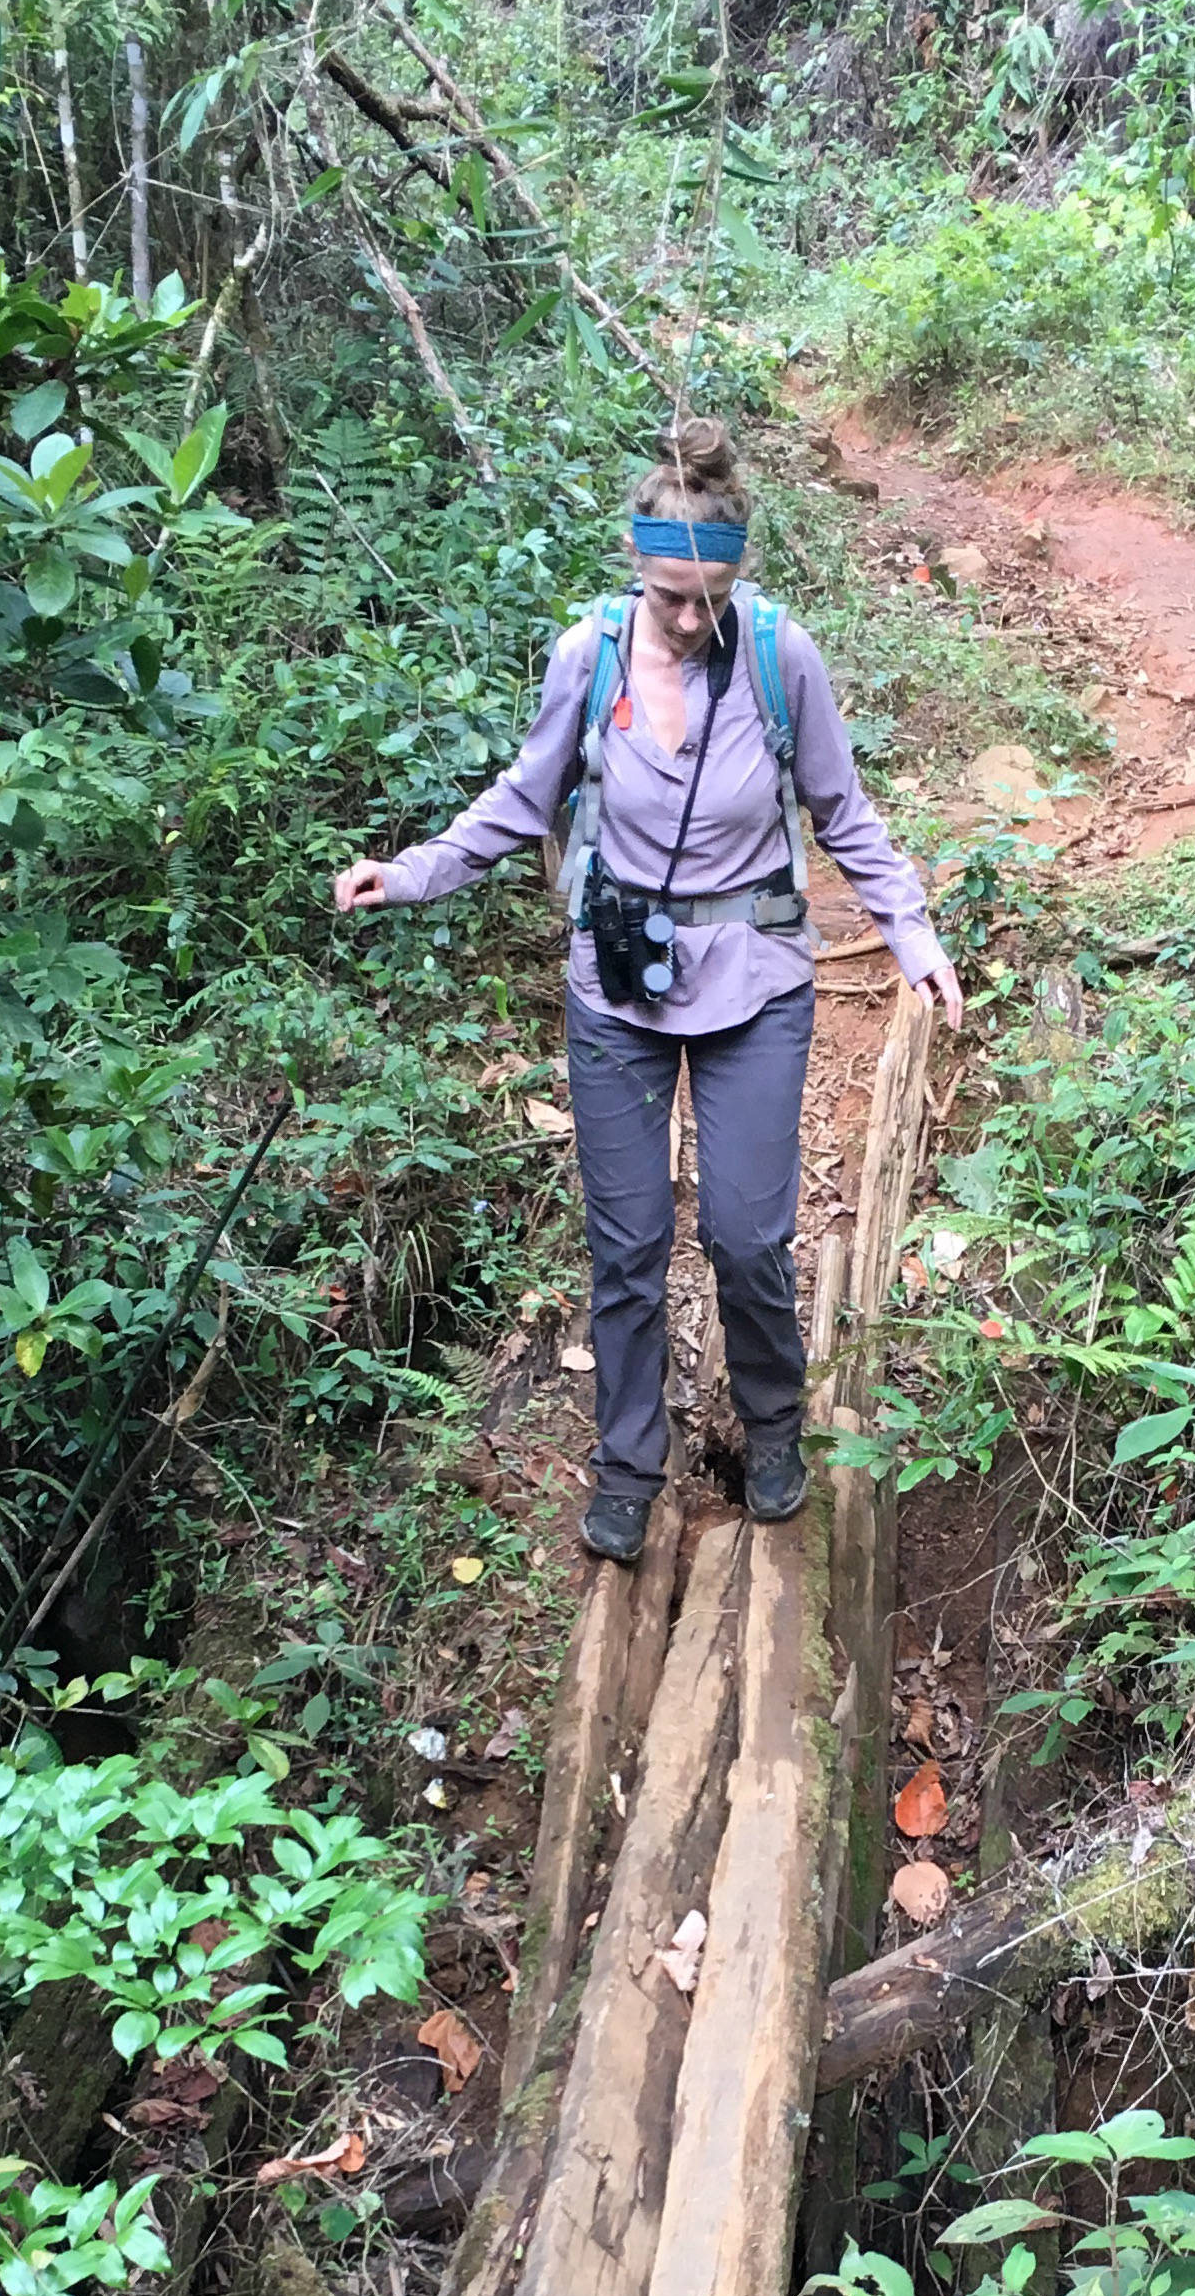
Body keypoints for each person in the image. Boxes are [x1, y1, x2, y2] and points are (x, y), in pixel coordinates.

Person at [333, 417, 964, 1563]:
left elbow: (844, 812)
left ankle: (772, 1426)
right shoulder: (589, 657)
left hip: (755, 984)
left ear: (737, 575)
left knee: (746, 1235)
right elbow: (523, 799)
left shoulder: (778, 657)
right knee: (625, 1246)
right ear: (637, 568)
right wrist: (415, 871)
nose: (687, 619)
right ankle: (629, 1463)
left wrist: (910, 934)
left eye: (709, 597)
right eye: (670, 596)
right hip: (617, 985)